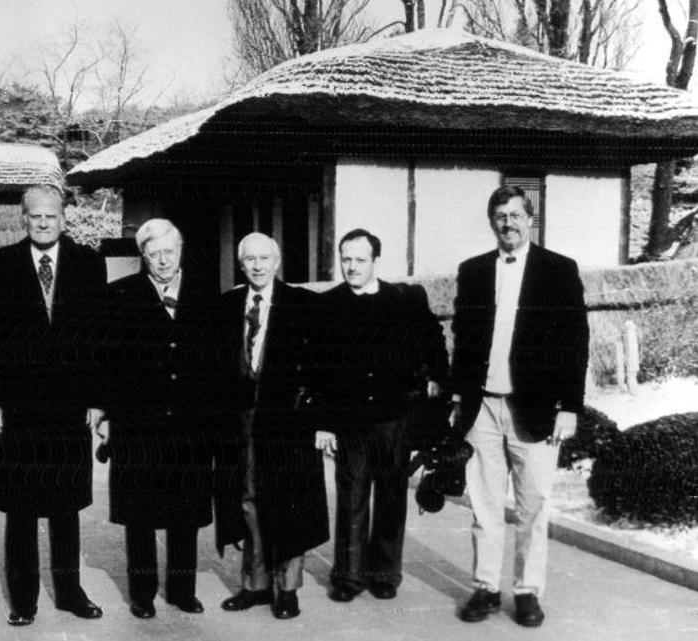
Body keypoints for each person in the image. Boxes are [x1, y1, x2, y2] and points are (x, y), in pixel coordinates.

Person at [452, 185, 588, 628]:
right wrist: (458, 397)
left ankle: (527, 592)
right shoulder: (472, 271)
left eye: (514, 214)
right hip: (483, 408)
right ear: (491, 222)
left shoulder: (558, 271)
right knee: (485, 506)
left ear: (530, 219)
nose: (507, 223)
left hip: (536, 408)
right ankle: (486, 587)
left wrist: (570, 405)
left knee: (533, 505)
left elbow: (575, 343)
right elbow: (464, 341)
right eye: (499, 216)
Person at [0, 184, 107, 627]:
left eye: (51, 215)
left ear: (64, 217)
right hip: (17, 407)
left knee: (66, 506)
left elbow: (97, 337)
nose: (44, 222)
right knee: (21, 507)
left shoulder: (90, 264)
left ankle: (70, 592)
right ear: (24, 218)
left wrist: (97, 399)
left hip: (69, 406)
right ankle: (24, 598)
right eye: (35, 216)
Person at [312, 228, 448, 603]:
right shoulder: (328, 305)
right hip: (351, 420)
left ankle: (385, 574)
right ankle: (349, 577)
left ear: (375, 261)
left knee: (391, 497)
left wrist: (439, 380)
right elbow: (318, 368)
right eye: (346, 259)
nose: (351, 266)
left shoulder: (403, 300)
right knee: (351, 497)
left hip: (394, 419)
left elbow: (432, 337)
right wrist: (323, 421)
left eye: (359, 259)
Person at [101, 219, 222, 619]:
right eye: (154, 254)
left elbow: (216, 364)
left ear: (181, 250)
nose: (163, 260)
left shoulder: (206, 296)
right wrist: (109, 414)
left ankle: (182, 591)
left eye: (169, 251)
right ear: (144, 256)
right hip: (140, 426)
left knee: (185, 511)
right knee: (140, 515)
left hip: (190, 424)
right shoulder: (120, 296)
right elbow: (110, 362)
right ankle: (142, 593)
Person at [215, 232, 328, 620]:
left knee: (289, 500)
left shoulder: (303, 305)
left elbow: (322, 370)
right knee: (248, 501)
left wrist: (320, 422)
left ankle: (288, 588)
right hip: (242, 423)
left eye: (265, 258)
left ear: (277, 262)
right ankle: (255, 585)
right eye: (251, 259)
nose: (258, 266)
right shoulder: (227, 306)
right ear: (241, 263)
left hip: (288, 423)